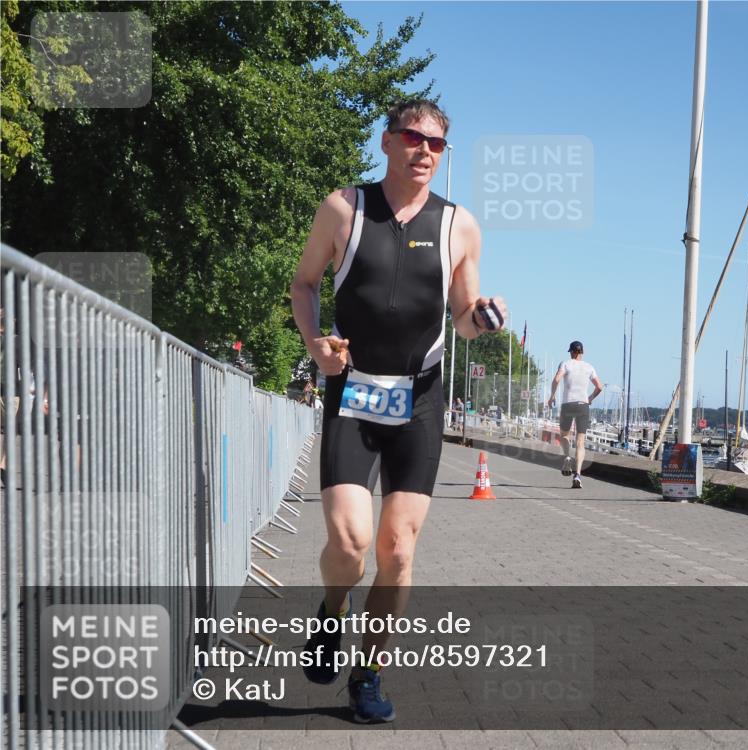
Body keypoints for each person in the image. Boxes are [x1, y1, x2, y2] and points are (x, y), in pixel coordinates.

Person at [290, 99, 506, 724]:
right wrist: (315, 347)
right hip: (353, 392)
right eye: (412, 138)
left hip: (420, 397)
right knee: (351, 541)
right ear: (387, 141)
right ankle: (333, 609)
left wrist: (484, 319)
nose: (423, 151)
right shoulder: (343, 208)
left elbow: (462, 321)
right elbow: (305, 283)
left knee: (399, 550)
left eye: (436, 144)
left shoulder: (460, 225)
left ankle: (368, 673)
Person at [547, 341, 602, 489]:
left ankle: (566, 456)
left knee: (564, 436)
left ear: (571, 352)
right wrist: (590, 398)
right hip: (583, 405)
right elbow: (599, 387)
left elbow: (557, 379)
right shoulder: (589, 367)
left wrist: (552, 395)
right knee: (580, 442)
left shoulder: (565, 364)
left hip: (568, 405)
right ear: (582, 352)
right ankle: (577, 475)